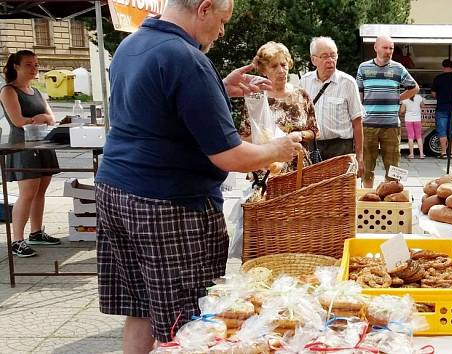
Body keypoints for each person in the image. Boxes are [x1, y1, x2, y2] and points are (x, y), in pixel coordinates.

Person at [94, 0, 303, 352]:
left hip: (115, 191)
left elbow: (161, 109)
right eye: (222, 21)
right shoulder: (188, 60)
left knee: (141, 307)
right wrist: (278, 149)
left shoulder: (131, 45)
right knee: (190, 321)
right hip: (168, 204)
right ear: (203, 8)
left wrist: (218, 88)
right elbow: (231, 156)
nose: (221, 32)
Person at [0, 50, 59, 258]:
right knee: (27, 193)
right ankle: (17, 240)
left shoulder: (36, 91)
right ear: (15, 66)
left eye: (35, 64)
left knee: (40, 191)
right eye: (28, 64)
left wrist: (40, 117)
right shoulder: (9, 91)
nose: (34, 68)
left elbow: (51, 118)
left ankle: (36, 232)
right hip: (22, 147)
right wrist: (40, 117)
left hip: (42, 145)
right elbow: (18, 121)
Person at [240, 41, 318, 172]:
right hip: (267, 169)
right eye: (274, 66)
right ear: (264, 70)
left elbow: (315, 131)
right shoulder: (256, 99)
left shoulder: (301, 95)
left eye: (284, 64)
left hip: (298, 169)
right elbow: (244, 138)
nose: (281, 70)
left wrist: (299, 134)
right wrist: (268, 139)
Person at [356, 36, 418, 188]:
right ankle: (368, 195)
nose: (389, 51)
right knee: (367, 166)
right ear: (376, 48)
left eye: (391, 48)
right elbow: (359, 95)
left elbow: (415, 88)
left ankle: (390, 197)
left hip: (391, 125)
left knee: (393, 167)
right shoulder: (363, 68)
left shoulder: (398, 68)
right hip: (368, 125)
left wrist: (398, 98)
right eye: (385, 47)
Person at [299, 36, 364, 176]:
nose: (330, 60)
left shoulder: (348, 83)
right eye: (324, 56)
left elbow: (357, 123)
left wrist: (360, 157)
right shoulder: (304, 82)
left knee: (340, 191)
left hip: (340, 147)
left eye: (333, 55)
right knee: (313, 191)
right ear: (313, 60)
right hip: (312, 146)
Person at [431, 58, 452, 159]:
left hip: (441, 108)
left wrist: (440, 97)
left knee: (442, 131)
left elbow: (433, 93)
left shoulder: (438, 78)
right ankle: (451, 152)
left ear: (442, 67)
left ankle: (443, 153)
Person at [400, 93, 425, 159]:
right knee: (419, 137)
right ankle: (421, 154)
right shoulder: (419, 97)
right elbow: (422, 105)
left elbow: (402, 110)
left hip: (408, 119)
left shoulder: (405, 98)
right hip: (417, 119)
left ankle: (411, 154)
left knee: (410, 137)